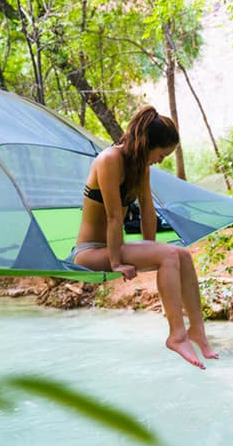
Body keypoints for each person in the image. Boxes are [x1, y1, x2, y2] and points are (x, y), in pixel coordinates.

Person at [67, 105, 218, 369]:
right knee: (170, 253)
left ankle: (197, 331)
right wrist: (116, 262)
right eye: (162, 154)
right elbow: (114, 217)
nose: (161, 160)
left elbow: (148, 210)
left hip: (116, 247)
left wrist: (151, 246)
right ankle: (176, 335)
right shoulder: (109, 160)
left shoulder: (139, 167)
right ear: (148, 144)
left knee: (181, 253)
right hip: (90, 252)